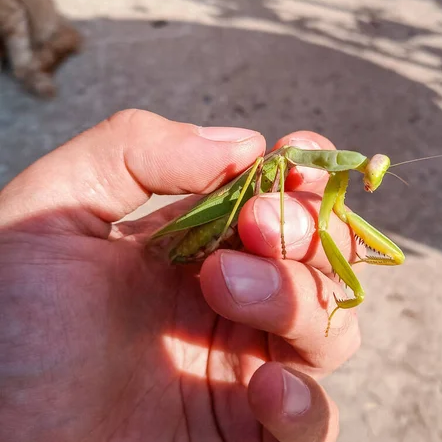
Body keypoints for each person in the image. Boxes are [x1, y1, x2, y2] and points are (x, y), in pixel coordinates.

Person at [0, 109, 362, 442]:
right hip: (211, 227)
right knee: (293, 225)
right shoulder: (285, 165)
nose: (370, 178)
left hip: (209, 289)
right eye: (369, 171)